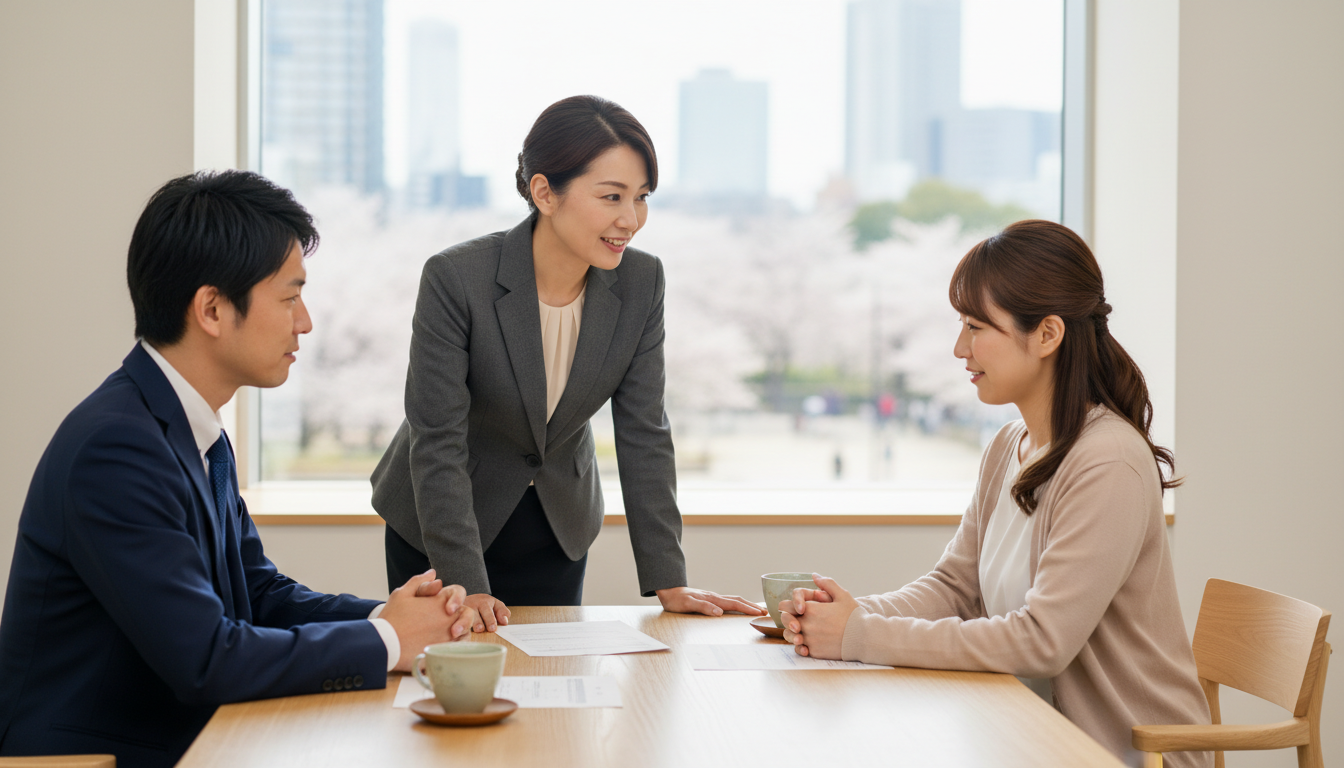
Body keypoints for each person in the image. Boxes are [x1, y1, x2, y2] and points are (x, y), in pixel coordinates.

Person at [0, 171, 475, 768]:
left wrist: (392, 616)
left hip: (192, 737)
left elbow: (256, 593)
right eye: (288, 297)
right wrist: (387, 642)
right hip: (103, 757)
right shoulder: (117, 448)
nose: (304, 322)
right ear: (213, 309)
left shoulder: (188, 427)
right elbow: (207, 660)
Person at [778, 220, 1212, 768]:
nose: (960, 348)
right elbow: (955, 588)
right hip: (1023, 734)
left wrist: (860, 634)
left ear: (1048, 335)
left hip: (1119, 753)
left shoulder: (1108, 462)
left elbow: (1041, 641)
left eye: (977, 327)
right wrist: (841, 617)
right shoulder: (1011, 444)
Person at [372, 95, 763, 626]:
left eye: (642, 197)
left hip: (557, 523)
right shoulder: (456, 278)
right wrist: (464, 581)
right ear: (544, 193)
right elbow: (437, 437)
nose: (631, 219)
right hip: (440, 527)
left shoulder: (642, 282)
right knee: (451, 684)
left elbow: (645, 430)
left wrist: (669, 579)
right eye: (611, 196)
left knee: (553, 689)